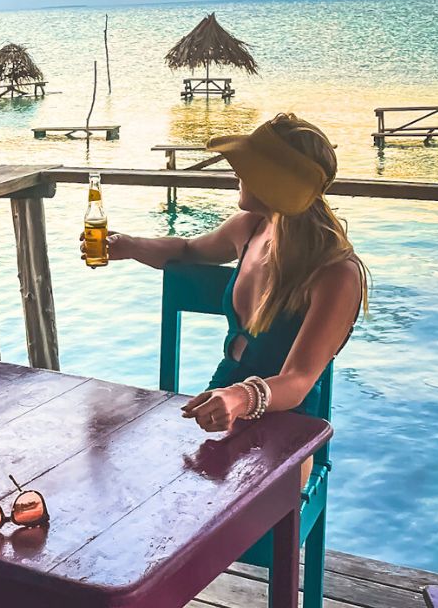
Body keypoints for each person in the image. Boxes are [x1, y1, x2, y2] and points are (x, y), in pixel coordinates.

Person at [83, 113, 366, 477]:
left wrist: (240, 397)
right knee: (147, 480)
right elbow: (187, 250)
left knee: (222, 507)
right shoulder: (251, 228)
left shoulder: (336, 273)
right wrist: (128, 245)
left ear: (273, 181)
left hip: (290, 423)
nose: (237, 173)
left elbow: (297, 381)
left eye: (248, 167)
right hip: (223, 392)